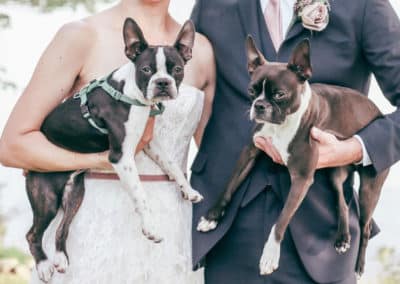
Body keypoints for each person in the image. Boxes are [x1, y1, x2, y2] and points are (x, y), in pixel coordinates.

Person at [0, 0, 215, 283]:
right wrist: (97, 161)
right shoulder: (81, 35)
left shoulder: (201, 50)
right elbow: (14, 145)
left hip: (172, 227)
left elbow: (213, 157)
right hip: (92, 224)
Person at [190, 0, 400, 283]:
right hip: (224, 231)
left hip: (321, 235)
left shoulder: (364, 6)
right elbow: (184, 86)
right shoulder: (210, 6)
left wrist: (352, 150)